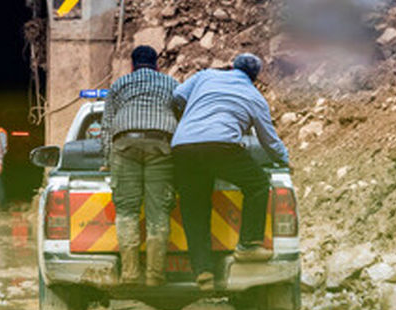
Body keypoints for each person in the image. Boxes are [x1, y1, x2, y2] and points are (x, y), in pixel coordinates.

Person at [170, 53, 290, 292]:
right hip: (221, 147)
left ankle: (203, 271)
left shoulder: (205, 76)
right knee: (257, 184)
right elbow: (269, 140)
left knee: (195, 206)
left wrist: (188, 120)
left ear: (232, 66)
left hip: (182, 147)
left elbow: (176, 97)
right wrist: (284, 160)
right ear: (255, 78)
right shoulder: (255, 97)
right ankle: (247, 244)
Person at [100, 45, 179, 285]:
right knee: (158, 212)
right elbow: (183, 118)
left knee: (126, 211)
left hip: (125, 145)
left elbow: (106, 127)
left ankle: (130, 274)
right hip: (161, 145)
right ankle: (155, 275)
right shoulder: (172, 84)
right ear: (157, 65)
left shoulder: (119, 85)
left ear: (132, 65)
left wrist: (106, 160)